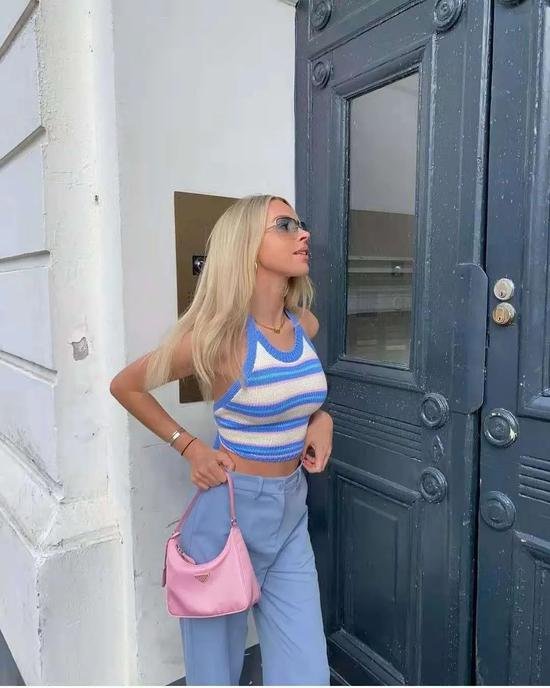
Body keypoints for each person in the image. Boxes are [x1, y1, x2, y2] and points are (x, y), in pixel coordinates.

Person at [110, 194, 333, 685]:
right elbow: (125, 386)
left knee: (307, 671)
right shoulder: (219, 339)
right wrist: (189, 446)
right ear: (245, 244)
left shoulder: (304, 324)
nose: (303, 233)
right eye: (284, 225)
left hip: (291, 511)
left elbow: (297, 398)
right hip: (228, 515)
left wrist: (321, 420)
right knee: (215, 674)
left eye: (299, 223)